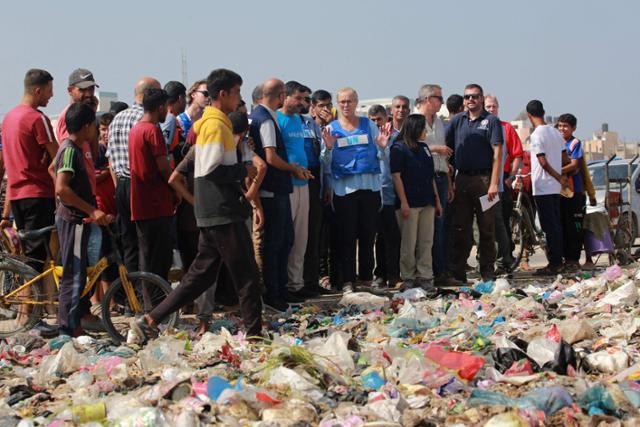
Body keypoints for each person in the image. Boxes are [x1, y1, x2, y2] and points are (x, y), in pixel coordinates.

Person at [132, 68, 263, 342]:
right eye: (237, 92)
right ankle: (254, 335)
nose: (239, 98)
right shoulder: (215, 125)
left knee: (199, 276)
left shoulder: (212, 123)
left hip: (212, 211)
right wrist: (242, 171)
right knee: (247, 275)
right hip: (221, 211)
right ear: (223, 94)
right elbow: (212, 171)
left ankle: (150, 319)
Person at [321, 87, 391, 293]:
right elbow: (325, 161)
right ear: (337, 104)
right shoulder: (331, 129)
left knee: (368, 236)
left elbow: (382, 154)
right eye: (342, 101)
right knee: (347, 237)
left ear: (356, 102)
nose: (346, 105)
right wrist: (330, 148)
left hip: (369, 188)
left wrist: (383, 147)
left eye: (350, 101)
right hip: (344, 190)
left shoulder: (368, 125)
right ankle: (348, 281)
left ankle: (367, 280)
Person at [250, 79, 311, 311]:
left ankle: (281, 289)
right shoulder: (264, 119)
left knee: (285, 240)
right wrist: (293, 168)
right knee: (275, 243)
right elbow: (270, 157)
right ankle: (273, 293)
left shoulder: (263, 116)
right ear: (280, 95)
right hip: (272, 189)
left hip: (278, 187)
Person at [54, 102, 112, 337]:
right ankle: (68, 329)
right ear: (88, 126)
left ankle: (74, 323)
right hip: (74, 220)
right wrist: (91, 210)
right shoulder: (69, 150)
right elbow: (62, 189)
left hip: (79, 219)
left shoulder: (75, 148)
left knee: (78, 272)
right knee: (73, 274)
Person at [445, 84, 503, 284]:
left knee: (487, 228)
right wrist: (449, 177)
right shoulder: (457, 121)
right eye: (467, 97)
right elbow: (447, 149)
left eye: (475, 96)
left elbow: (497, 154)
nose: (471, 100)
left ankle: (487, 271)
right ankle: (458, 272)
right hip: (462, 180)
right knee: (461, 228)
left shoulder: (491, 121)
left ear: (481, 98)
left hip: (485, 180)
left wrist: (494, 183)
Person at [1, 69, 58, 268]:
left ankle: (31, 299)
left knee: (26, 257)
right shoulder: (37, 119)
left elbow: (5, 163)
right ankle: (36, 299)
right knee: (41, 258)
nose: (51, 95)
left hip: (17, 197)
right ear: (37, 90)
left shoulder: (7, 119)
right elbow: (59, 157)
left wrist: (5, 213)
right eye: (49, 90)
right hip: (39, 195)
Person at [107, 77, 161, 272]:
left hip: (121, 185)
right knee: (146, 241)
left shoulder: (117, 119)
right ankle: (147, 291)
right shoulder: (147, 119)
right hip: (140, 185)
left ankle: (133, 294)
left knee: (128, 241)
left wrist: (118, 186)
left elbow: (111, 160)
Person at [391, 114, 442, 293]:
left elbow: (431, 177)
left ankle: (425, 276)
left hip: (427, 201)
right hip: (409, 203)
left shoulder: (425, 148)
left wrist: (437, 200)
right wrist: (403, 202)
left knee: (426, 241)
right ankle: (408, 277)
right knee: (409, 242)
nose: (425, 132)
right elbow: (396, 177)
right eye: (423, 128)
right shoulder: (398, 148)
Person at [128, 88, 175, 281]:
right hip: (156, 203)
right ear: (161, 107)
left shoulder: (136, 129)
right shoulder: (152, 130)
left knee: (146, 256)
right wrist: (175, 187)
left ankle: (150, 303)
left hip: (140, 204)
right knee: (160, 259)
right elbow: (163, 167)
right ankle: (158, 306)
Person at [277, 81, 314, 299]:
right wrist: (292, 170)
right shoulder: (277, 119)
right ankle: (281, 285)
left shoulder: (300, 120)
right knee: (285, 239)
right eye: (298, 98)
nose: (302, 103)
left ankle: (296, 284)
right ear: (286, 96)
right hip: (287, 184)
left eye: (304, 99)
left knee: (301, 238)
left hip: (303, 183)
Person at [415, 85, 454, 285]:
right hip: (422, 181)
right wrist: (435, 148)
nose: (442, 102)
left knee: (440, 227)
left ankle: (440, 272)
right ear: (429, 99)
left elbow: (444, 157)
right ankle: (423, 273)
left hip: (440, 177)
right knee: (424, 230)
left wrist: (448, 180)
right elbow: (410, 147)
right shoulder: (414, 120)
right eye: (439, 98)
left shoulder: (439, 122)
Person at [527, 100, 568, 275]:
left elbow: (542, 162)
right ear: (543, 112)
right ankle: (559, 260)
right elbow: (565, 157)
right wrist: (561, 176)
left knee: (549, 227)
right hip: (554, 187)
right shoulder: (556, 132)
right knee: (555, 225)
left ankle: (555, 263)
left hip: (543, 186)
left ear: (529, 116)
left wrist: (558, 175)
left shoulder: (537, 135)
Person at [484, 94, 524, 274]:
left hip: (501, 181)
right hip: (483, 182)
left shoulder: (506, 128)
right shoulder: (479, 127)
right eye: (488, 107)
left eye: (493, 107)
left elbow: (517, 154)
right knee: (486, 223)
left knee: (501, 221)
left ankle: (505, 258)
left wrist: (510, 178)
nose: (491, 109)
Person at [301, 88, 329, 295]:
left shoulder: (330, 128)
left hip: (324, 184)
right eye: (321, 106)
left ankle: (318, 277)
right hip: (306, 180)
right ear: (313, 108)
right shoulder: (305, 126)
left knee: (321, 234)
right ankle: (305, 280)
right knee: (307, 233)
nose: (325, 109)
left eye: (328, 105)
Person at [557, 113, 587, 272]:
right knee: (560, 225)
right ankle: (563, 258)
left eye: (565, 126)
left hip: (575, 192)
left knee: (574, 227)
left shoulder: (575, 143)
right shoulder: (555, 142)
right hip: (559, 192)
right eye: (560, 125)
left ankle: (573, 259)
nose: (562, 129)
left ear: (573, 128)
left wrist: (554, 170)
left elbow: (574, 165)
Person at [160, 81, 187, 164]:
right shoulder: (169, 118)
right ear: (180, 98)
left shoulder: (168, 117)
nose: (186, 102)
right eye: (185, 98)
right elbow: (164, 149)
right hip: (170, 170)